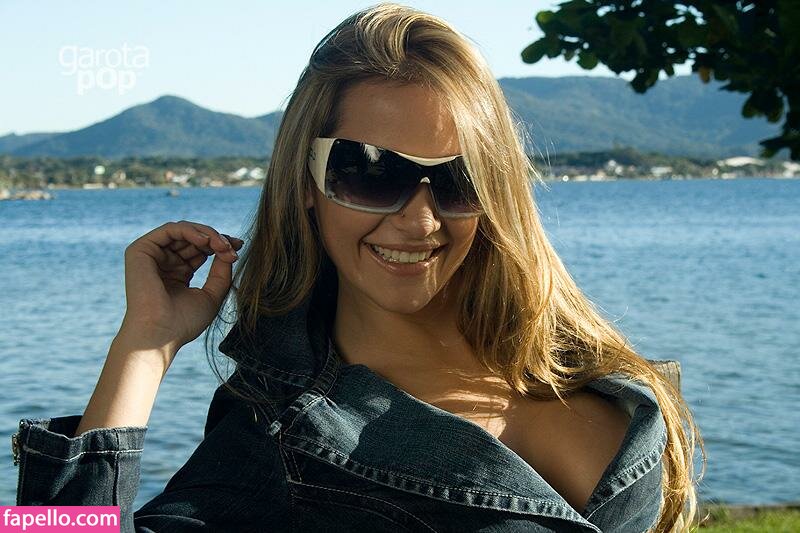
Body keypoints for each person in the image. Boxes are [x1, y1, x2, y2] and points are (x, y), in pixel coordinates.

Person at [12, 3, 704, 532]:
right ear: (305, 185)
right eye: (370, 171)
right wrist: (143, 347)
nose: (419, 219)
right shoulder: (276, 440)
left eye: (457, 178)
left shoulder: (614, 390)